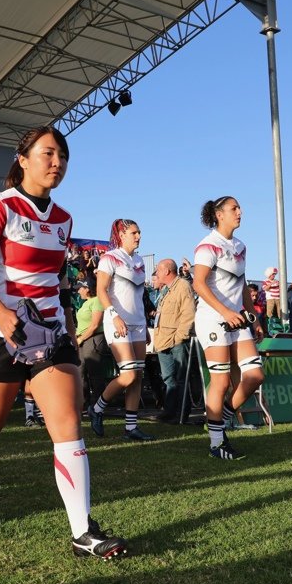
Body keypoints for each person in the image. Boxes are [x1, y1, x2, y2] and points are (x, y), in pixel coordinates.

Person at [0, 126, 127, 559]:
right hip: (0, 334)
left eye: (63, 157)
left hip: (50, 337)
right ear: (22, 157)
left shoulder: (64, 219)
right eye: (48, 153)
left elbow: (59, 281)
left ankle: (82, 531)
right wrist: (1, 313)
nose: (57, 163)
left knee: (68, 424)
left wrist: (67, 323)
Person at [192, 196, 265, 460]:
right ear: (219, 214)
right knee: (221, 381)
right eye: (234, 208)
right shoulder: (208, 245)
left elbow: (242, 284)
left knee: (255, 375)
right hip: (213, 319)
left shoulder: (240, 246)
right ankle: (216, 443)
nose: (240, 212)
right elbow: (198, 284)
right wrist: (225, 312)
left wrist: (253, 317)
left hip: (238, 320)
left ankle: (219, 418)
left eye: (239, 208)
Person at [88, 219, 153, 441]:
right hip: (117, 322)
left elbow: (139, 297)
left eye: (140, 232)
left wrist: (144, 325)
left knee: (138, 377)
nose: (139, 236)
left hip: (138, 323)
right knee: (128, 375)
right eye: (134, 232)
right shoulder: (109, 258)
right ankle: (96, 408)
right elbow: (101, 290)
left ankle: (131, 428)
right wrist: (113, 315)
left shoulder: (138, 261)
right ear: (122, 234)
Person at [152, 259, 196, 424]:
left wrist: (180, 337)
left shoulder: (183, 286)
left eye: (158, 270)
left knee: (181, 378)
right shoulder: (166, 290)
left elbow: (188, 313)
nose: (156, 273)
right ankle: (169, 411)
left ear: (167, 271)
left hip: (176, 341)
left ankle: (182, 412)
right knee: (168, 379)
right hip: (163, 341)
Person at [74, 278, 105, 406]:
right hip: (82, 340)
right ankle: (84, 403)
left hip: (93, 339)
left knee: (94, 373)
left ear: (87, 288)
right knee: (80, 373)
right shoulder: (85, 303)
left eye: (80, 288)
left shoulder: (97, 301)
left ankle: (98, 404)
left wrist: (80, 339)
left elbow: (95, 325)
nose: (78, 291)